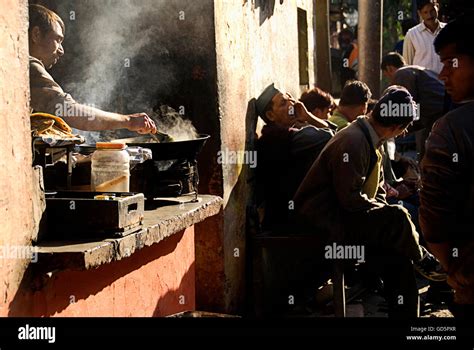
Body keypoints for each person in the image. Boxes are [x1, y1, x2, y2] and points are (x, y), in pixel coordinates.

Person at [294, 87, 445, 317]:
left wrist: (384, 215)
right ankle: (422, 259)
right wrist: (386, 216)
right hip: (325, 222)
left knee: (399, 257)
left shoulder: (372, 138)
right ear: (396, 128)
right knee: (398, 216)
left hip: (346, 217)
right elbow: (351, 201)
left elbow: (379, 191)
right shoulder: (354, 141)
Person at [419, 12, 474, 317]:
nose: (442, 75)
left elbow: (434, 226)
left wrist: (456, 269)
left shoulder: (452, 129)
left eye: (451, 62)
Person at [28, 4, 156, 134]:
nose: (62, 50)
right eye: (58, 40)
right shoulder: (30, 65)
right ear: (36, 34)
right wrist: (129, 121)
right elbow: (67, 109)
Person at [255, 84, 333, 233]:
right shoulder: (282, 137)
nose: (292, 104)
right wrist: (308, 117)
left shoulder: (287, 133)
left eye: (290, 98)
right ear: (271, 116)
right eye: (283, 103)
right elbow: (331, 136)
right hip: (293, 219)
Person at [381, 52, 445, 160]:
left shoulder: (401, 73)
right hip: (440, 111)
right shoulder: (416, 70)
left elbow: (405, 104)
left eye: (387, 76)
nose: (390, 81)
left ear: (389, 68)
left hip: (436, 114)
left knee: (427, 155)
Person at [403, 0, 446, 74]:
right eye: (425, 12)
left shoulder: (448, 30)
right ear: (420, 13)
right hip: (422, 84)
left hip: (446, 82)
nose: (429, 15)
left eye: (432, 11)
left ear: (437, 7)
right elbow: (407, 65)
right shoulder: (412, 35)